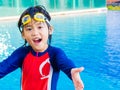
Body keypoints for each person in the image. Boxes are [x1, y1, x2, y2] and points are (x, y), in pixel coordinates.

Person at [0, 5, 84, 90]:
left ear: (50, 30)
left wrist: (72, 72)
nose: (35, 33)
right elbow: (3, 67)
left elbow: (65, 63)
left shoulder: (55, 54)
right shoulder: (21, 53)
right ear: (23, 35)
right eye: (29, 29)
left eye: (40, 27)